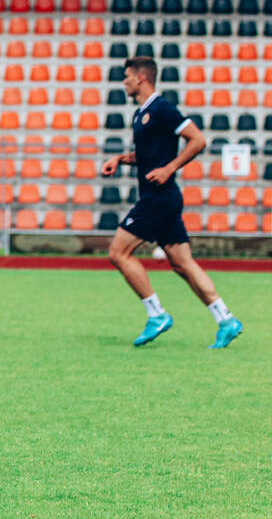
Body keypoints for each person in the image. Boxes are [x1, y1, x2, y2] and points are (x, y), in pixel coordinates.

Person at [101, 56, 243, 349]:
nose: (123, 82)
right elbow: (147, 155)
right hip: (162, 198)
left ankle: (157, 314)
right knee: (182, 264)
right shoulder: (141, 114)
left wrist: (170, 168)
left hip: (159, 198)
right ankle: (226, 319)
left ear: (141, 78)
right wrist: (120, 159)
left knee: (118, 253)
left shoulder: (162, 108)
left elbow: (197, 140)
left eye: (127, 76)